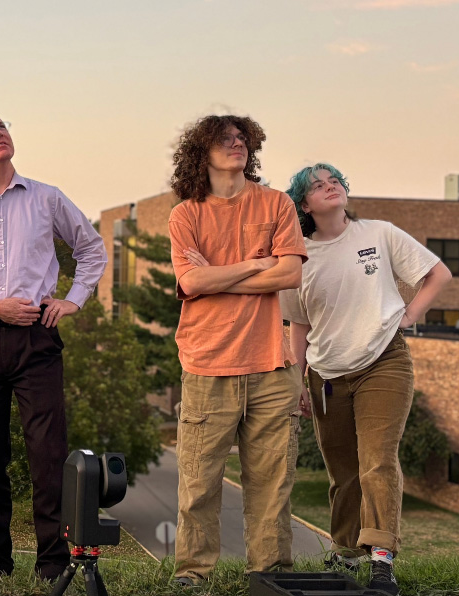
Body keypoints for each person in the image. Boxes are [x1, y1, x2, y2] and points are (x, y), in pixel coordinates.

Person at [0, 106, 107, 582]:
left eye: (1, 125)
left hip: (37, 340)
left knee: (49, 455)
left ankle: (52, 564)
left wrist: (73, 299)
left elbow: (92, 249)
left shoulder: (48, 198)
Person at [281, 163, 451, 596]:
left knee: (377, 460)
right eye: (317, 186)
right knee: (343, 470)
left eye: (333, 180)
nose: (329, 187)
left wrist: (410, 315)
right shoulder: (297, 255)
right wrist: (298, 379)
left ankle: (380, 559)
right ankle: (345, 549)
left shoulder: (378, 233)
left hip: (384, 362)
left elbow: (438, 274)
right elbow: (298, 324)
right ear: (305, 204)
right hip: (326, 375)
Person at [167, 114, 307, 587]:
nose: (236, 144)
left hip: (272, 363)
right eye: (224, 139)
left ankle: (270, 576)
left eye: (242, 138)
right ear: (200, 152)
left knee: (272, 486)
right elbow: (191, 280)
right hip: (208, 363)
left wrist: (220, 277)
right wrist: (255, 264)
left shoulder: (276, 204)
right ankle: (194, 573)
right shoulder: (186, 214)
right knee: (199, 484)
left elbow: (290, 274)